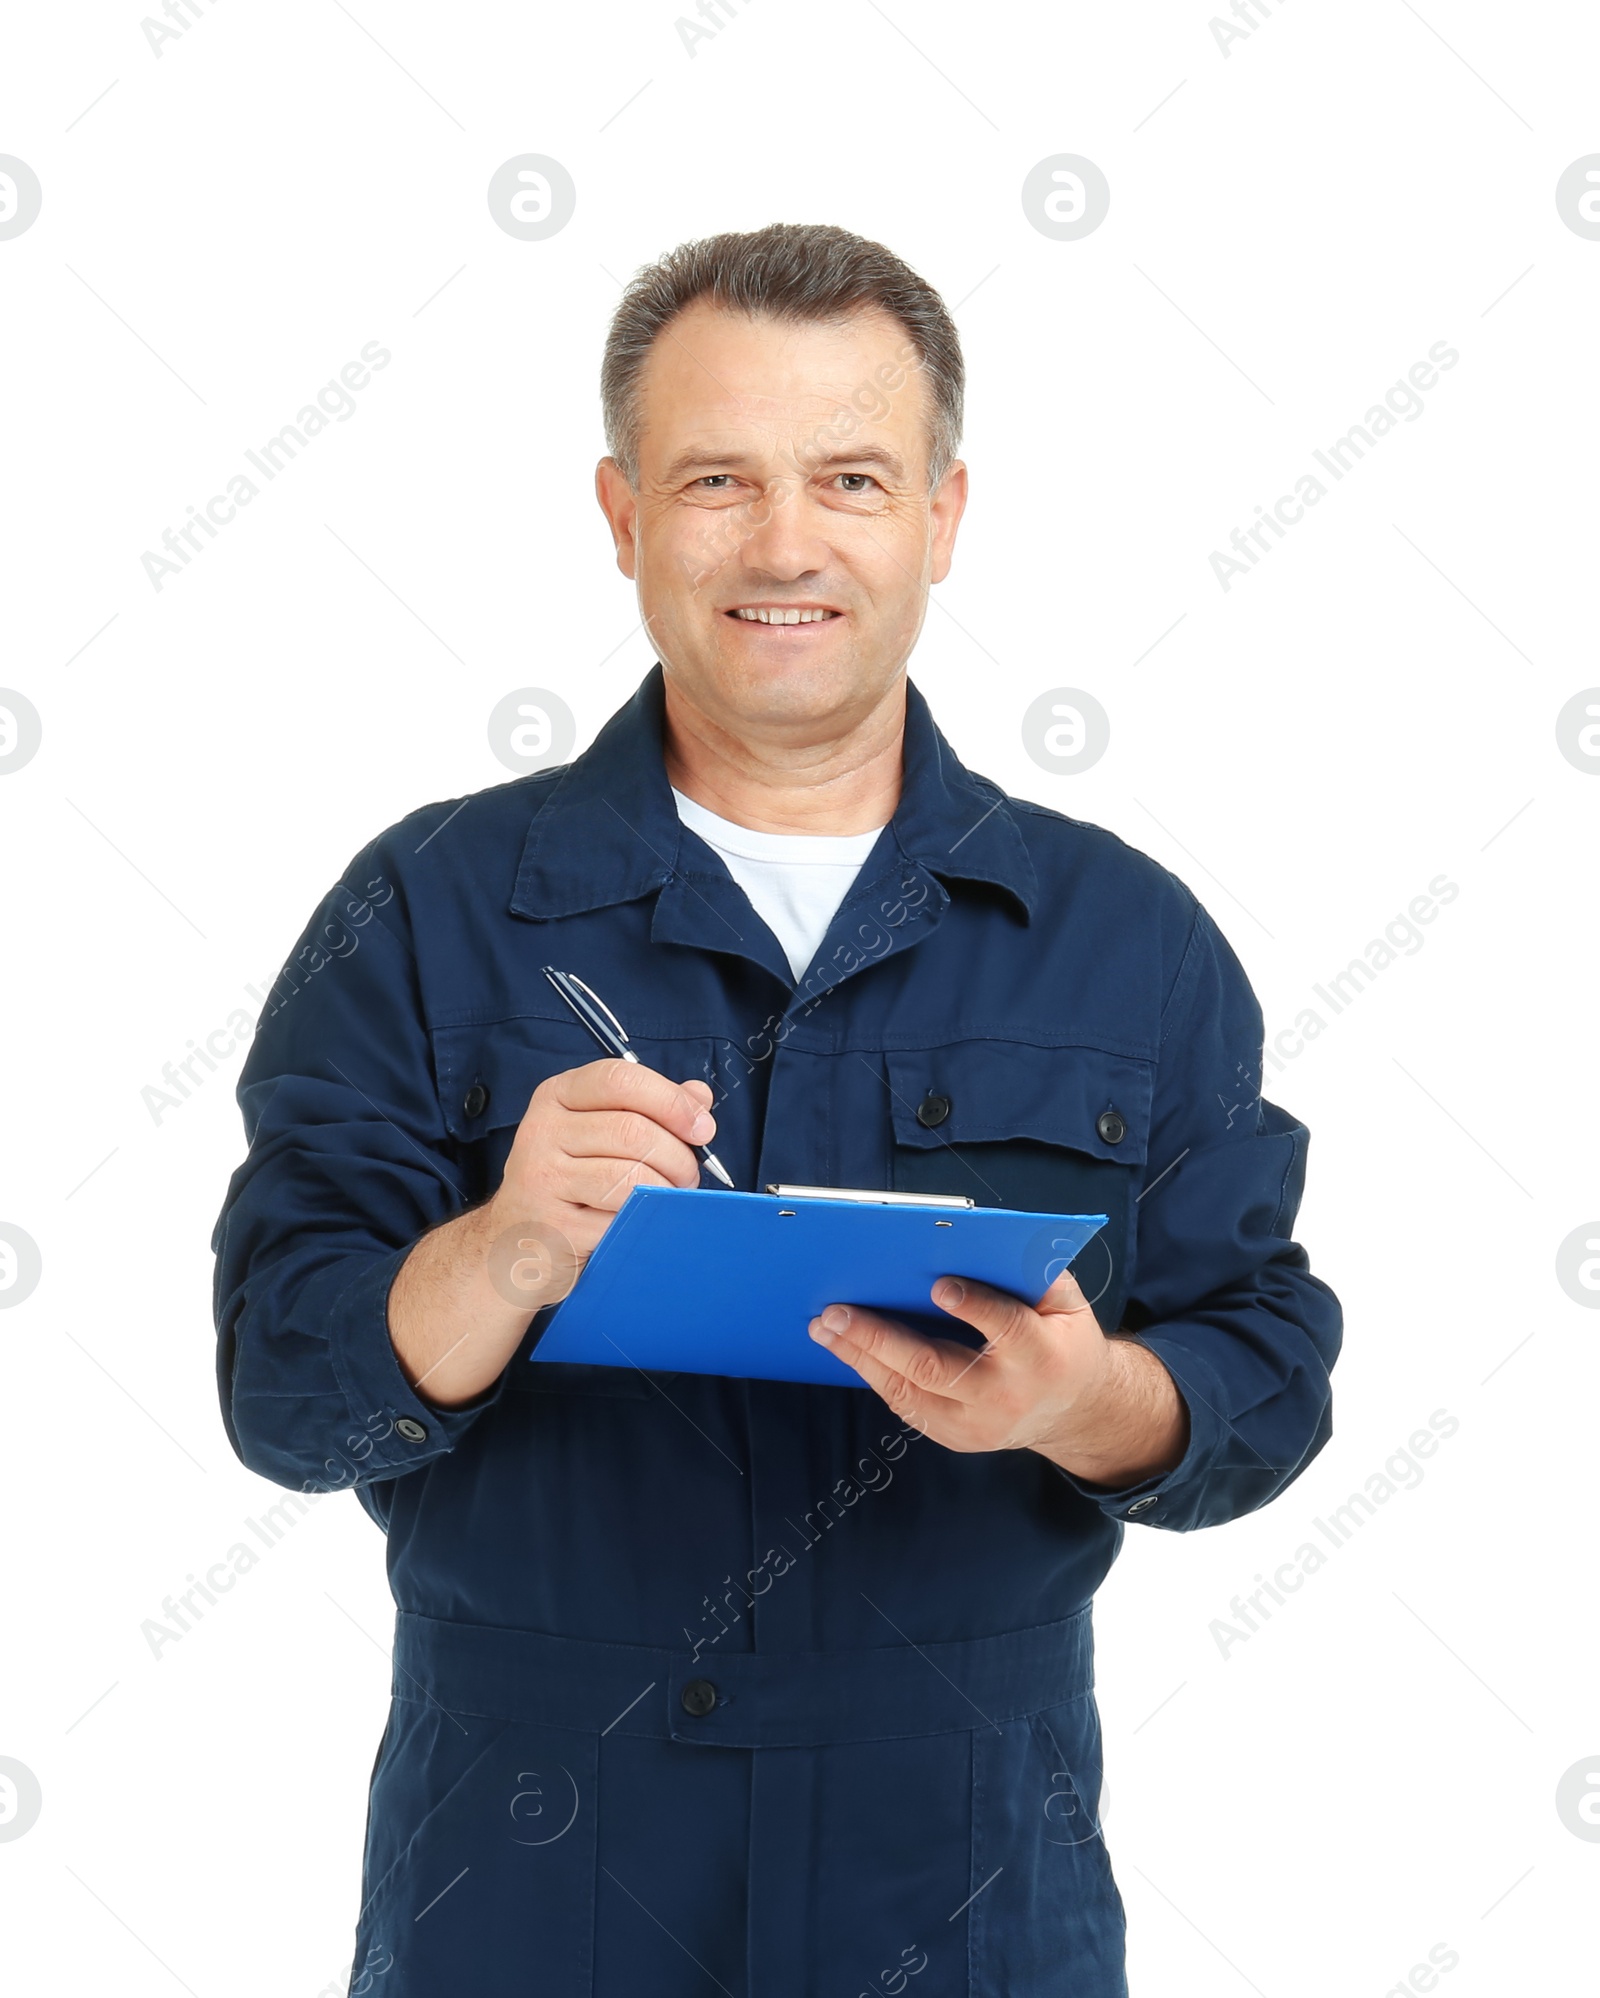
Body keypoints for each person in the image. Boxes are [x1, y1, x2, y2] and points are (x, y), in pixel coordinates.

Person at [213, 221, 1342, 1996]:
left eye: (854, 477)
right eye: (719, 477)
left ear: (945, 516)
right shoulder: (424, 909)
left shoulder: (1127, 941)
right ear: (623, 513)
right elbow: (285, 1397)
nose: (788, 542)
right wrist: (501, 1251)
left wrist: (1088, 1394)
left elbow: (1265, 1382)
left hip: (967, 1890)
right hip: (529, 1887)